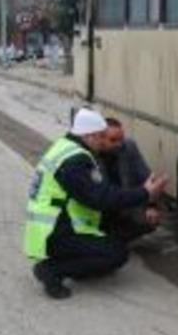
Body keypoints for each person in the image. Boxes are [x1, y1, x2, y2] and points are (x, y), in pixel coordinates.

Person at [23, 108, 168, 299]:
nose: (102, 141)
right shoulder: (75, 161)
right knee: (116, 254)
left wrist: (148, 201)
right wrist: (145, 193)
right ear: (89, 136)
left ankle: (78, 260)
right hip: (54, 231)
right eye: (101, 137)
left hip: (61, 225)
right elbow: (101, 198)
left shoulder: (65, 147)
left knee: (116, 238)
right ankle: (51, 270)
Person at [98, 117, 162, 241]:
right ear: (100, 139)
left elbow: (147, 177)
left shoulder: (129, 146)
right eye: (113, 140)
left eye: (121, 139)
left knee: (149, 220)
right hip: (101, 207)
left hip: (124, 202)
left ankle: (117, 236)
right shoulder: (88, 155)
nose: (119, 144)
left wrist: (152, 206)